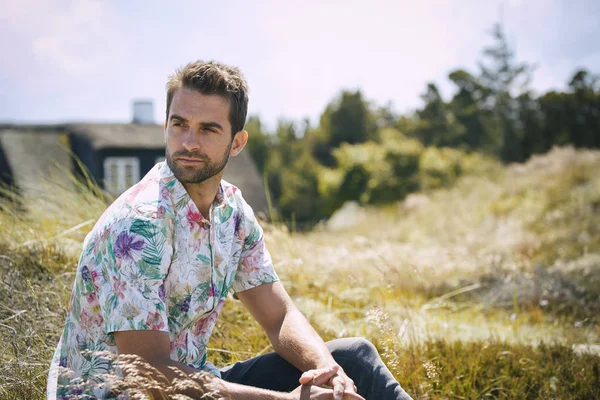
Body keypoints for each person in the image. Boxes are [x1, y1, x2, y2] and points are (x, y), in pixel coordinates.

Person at [47, 60, 413, 400]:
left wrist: (327, 371)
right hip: (122, 394)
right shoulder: (138, 225)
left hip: (195, 381)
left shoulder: (233, 213)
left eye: (208, 129)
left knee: (354, 357)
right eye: (179, 125)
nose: (189, 142)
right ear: (166, 127)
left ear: (236, 142)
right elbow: (147, 373)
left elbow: (279, 317)